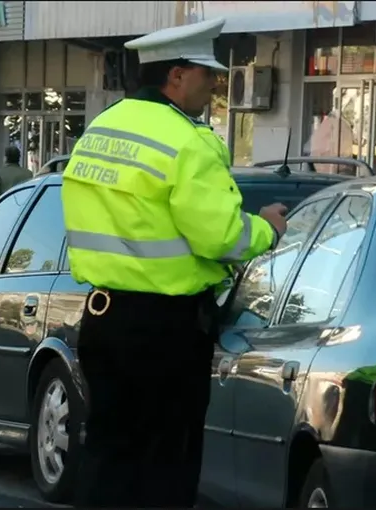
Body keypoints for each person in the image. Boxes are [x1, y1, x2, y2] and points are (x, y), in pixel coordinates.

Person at [61, 18, 289, 508]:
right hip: (166, 329)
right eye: (209, 76)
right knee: (168, 458)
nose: (214, 87)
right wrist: (268, 227)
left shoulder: (101, 129)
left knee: (108, 451)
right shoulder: (190, 140)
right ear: (179, 75)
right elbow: (221, 237)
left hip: (102, 317)